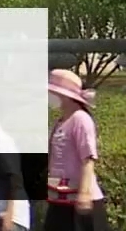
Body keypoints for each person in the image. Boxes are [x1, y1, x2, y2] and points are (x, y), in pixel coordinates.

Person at [46, 68, 105, 230]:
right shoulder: (60, 122)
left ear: (64, 95)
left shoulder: (80, 119)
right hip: (60, 196)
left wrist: (84, 193)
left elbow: (88, 159)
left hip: (80, 198)